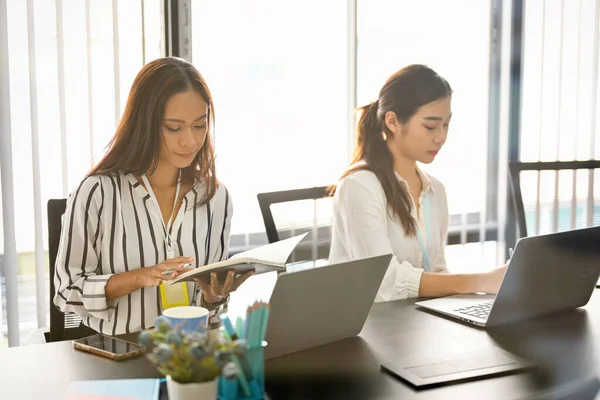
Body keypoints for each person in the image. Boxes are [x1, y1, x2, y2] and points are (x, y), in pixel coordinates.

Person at [53, 57, 253, 336]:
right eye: (174, 127)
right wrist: (139, 277)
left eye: (200, 125)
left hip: (188, 354)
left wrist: (213, 298)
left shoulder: (215, 197)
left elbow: (211, 310)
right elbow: (67, 293)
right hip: (120, 354)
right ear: (145, 124)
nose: (190, 141)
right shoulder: (97, 192)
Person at [329, 64, 506, 301]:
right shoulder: (359, 187)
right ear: (392, 122)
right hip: (370, 328)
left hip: (418, 323)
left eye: (446, 124)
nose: (441, 137)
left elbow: (437, 271)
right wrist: (482, 280)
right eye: (430, 126)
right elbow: (384, 283)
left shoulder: (435, 190)